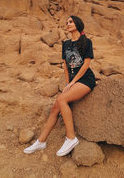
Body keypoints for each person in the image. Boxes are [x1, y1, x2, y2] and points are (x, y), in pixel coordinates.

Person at [23, 15, 96, 156]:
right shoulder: (66, 44)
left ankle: (71, 138)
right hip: (73, 81)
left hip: (86, 80)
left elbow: (86, 64)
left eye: (70, 22)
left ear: (77, 24)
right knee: (55, 107)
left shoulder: (86, 42)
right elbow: (65, 66)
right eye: (66, 22)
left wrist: (73, 83)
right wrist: (68, 83)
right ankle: (41, 141)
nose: (67, 24)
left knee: (61, 99)